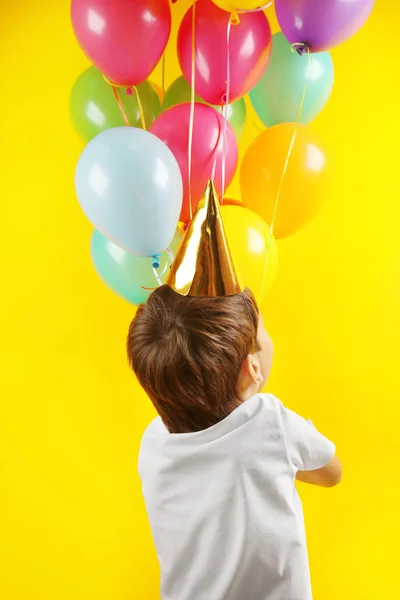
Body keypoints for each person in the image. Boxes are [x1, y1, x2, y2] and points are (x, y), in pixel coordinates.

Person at [127, 181, 342, 600]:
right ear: (252, 370)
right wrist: (280, 457)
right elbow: (333, 472)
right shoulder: (271, 422)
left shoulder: (152, 444)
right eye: (261, 330)